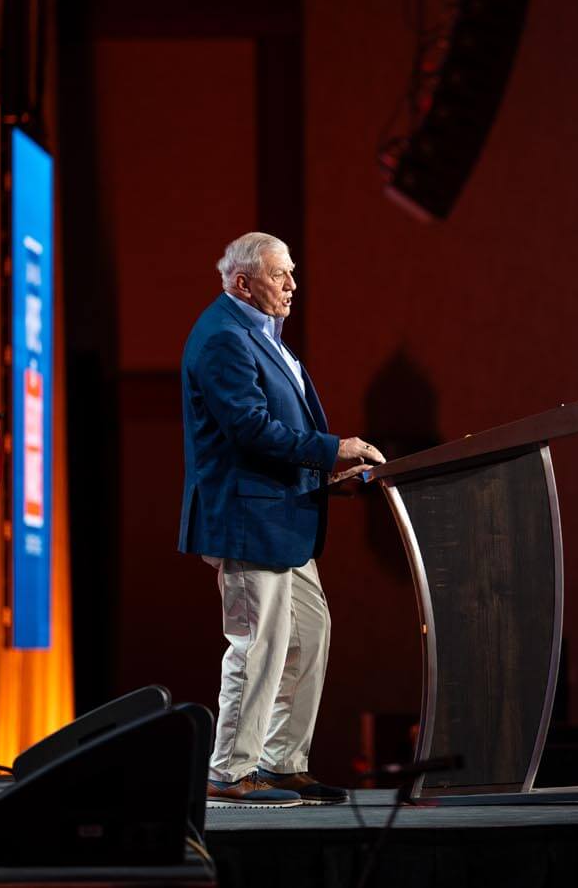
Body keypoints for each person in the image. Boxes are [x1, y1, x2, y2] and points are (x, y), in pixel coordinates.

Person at [180, 232, 385, 807]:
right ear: (244, 282)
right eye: (281, 275)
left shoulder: (258, 334)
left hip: (283, 518)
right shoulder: (223, 336)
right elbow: (248, 428)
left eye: (291, 272)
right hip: (249, 520)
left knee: (308, 637)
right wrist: (332, 450)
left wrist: (321, 476)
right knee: (258, 644)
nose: (293, 285)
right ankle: (229, 770)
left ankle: (280, 762)